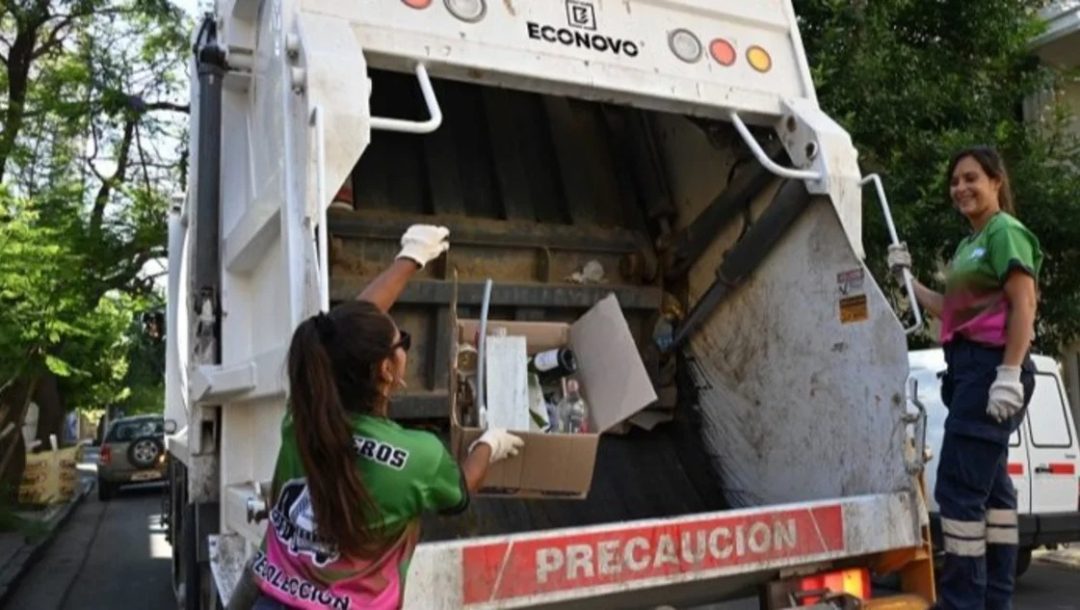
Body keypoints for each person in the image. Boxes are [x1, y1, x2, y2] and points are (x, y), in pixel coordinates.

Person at [251, 224, 524, 609]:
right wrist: (487, 445)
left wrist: (409, 259)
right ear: (385, 369)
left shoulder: (301, 418)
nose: (405, 351)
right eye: (403, 343)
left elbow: (341, 337)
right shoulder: (418, 457)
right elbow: (460, 490)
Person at [889, 147, 1042, 610]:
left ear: (996, 181)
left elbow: (1024, 306)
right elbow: (952, 311)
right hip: (971, 372)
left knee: (958, 491)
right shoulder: (967, 245)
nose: (960, 188)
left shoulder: (1005, 232)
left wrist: (1009, 373)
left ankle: (963, 602)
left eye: (971, 178)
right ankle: (994, 601)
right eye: (954, 181)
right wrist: (907, 281)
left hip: (991, 368)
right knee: (993, 495)